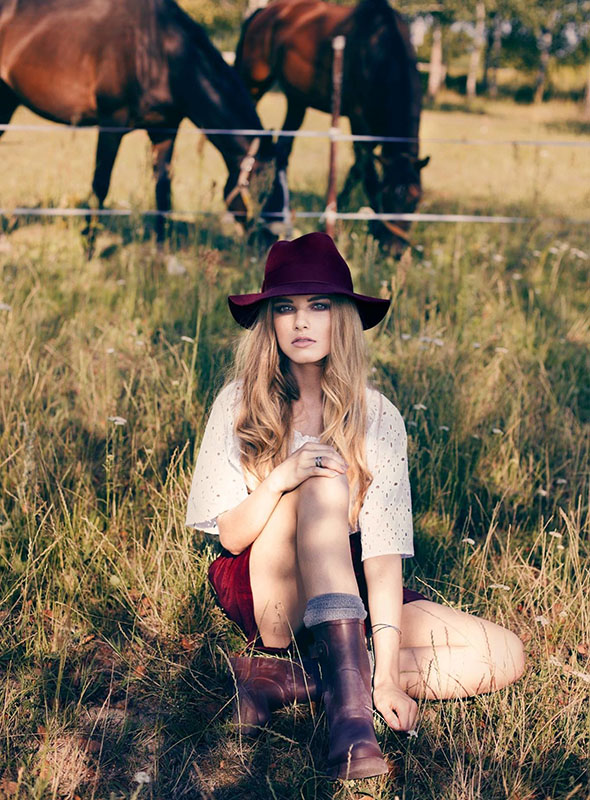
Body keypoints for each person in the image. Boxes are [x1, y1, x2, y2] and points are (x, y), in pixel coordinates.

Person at [186, 232, 525, 780]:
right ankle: (350, 724)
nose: (301, 322)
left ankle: (296, 679)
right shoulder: (238, 402)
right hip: (269, 584)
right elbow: (230, 536)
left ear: (341, 318)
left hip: (349, 583)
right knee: (323, 474)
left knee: (502, 653)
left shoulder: (379, 415)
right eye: (285, 308)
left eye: (318, 306)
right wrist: (283, 477)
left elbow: (383, 555)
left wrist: (387, 675)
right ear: (269, 321)